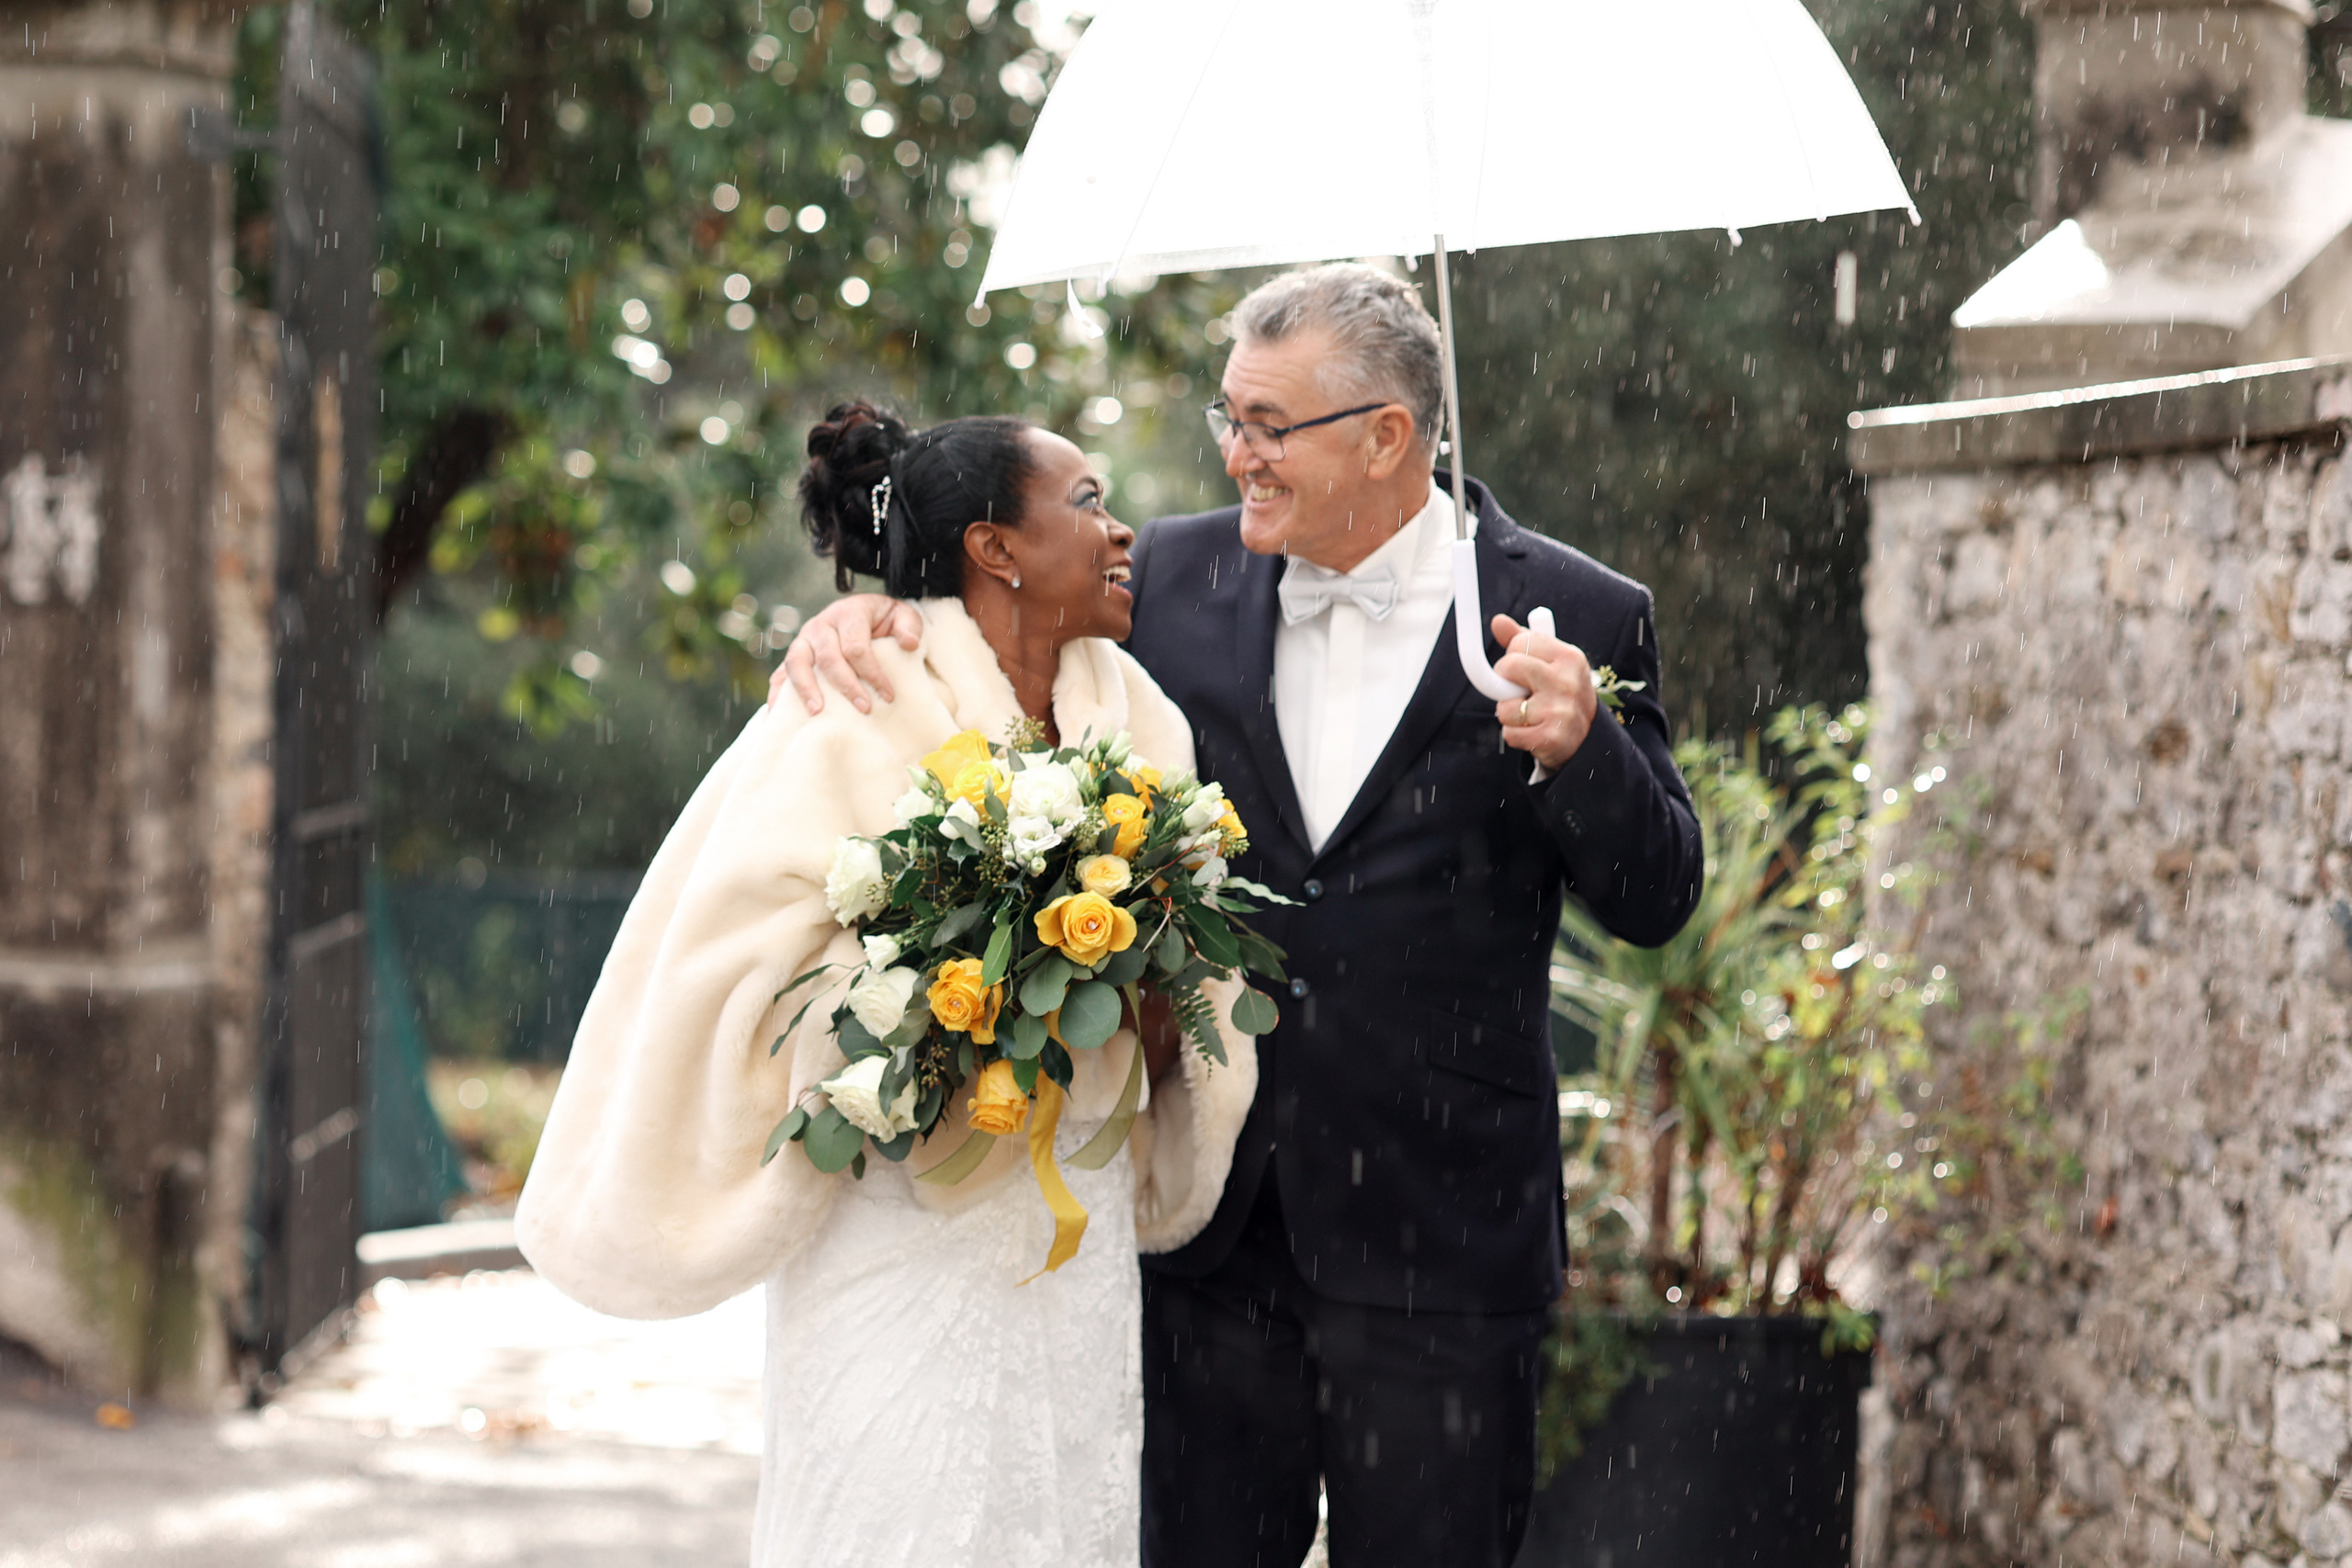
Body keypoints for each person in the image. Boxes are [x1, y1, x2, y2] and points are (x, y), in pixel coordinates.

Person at [780, 264, 1704, 1568]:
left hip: (1443, 1248)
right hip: (1209, 1231)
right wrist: (863, 613)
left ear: (1389, 434)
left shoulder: (1579, 614)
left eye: (1271, 426)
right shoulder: (1164, 576)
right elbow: (988, 631)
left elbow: (1660, 895)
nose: (1239, 456)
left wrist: (1582, 748)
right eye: (1230, 418)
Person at [516, 401, 1258, 1568]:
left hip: (1075, 1241)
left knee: (1066, 1519)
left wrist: (1148, 990)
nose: (1124, 535)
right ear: (994, 549)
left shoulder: (1145, 721)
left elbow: (1191, 991)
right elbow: (735, 964)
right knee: (892, 1520)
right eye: (1087, 503)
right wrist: (941, 1000)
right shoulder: (847, 702)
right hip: (895, 1232)